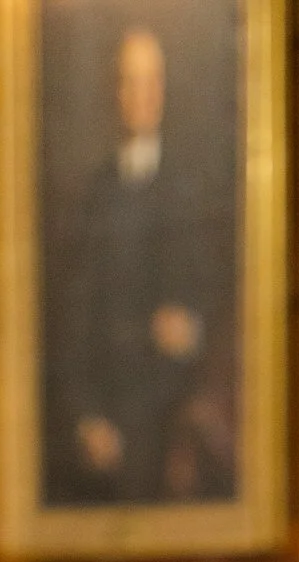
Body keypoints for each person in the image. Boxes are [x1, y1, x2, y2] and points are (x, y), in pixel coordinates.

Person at [48, 24, 236, 505]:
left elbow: (218, 298)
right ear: (117, 92)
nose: (142, 95)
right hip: (109, 409)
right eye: (131, 82)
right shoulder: (95, 194)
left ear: (164, 90)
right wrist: (87, 416)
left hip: (174, 404)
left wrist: (189, 328)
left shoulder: (191, 187)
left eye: (151, 82)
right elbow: (75, 317)